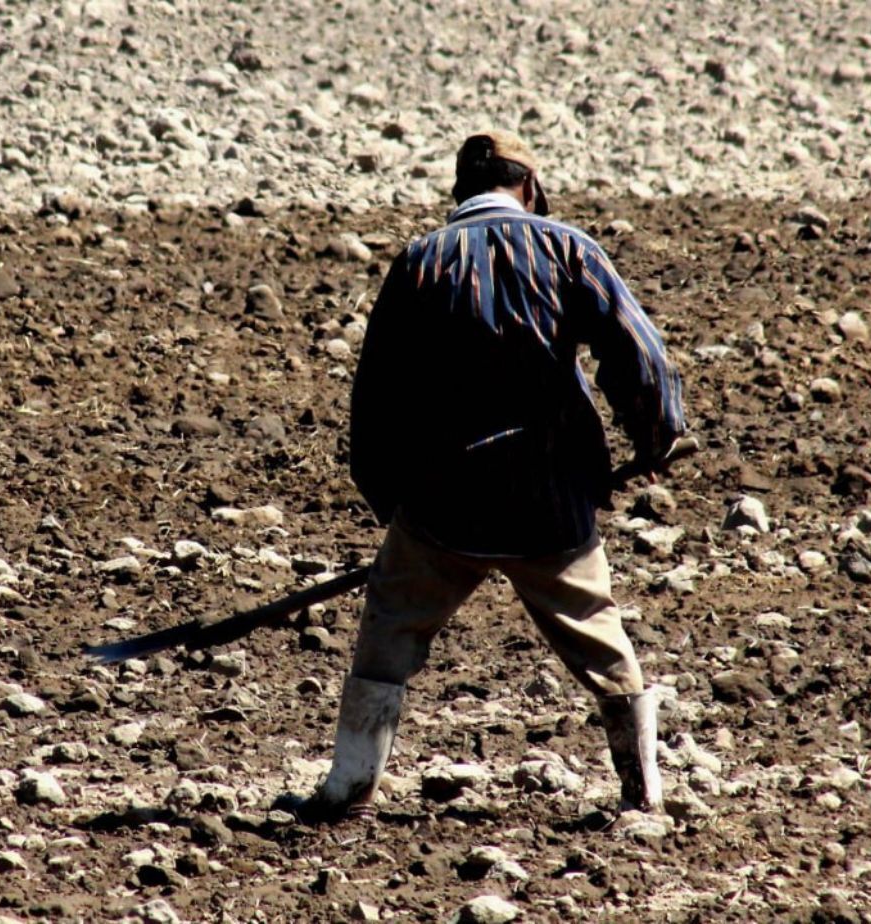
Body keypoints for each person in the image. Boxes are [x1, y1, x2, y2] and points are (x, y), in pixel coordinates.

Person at [286, 130, 687, 823]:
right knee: (597, 633)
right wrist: (654, 444)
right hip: (552, 505)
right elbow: (641, 360)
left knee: (389, 630)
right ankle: (643, 788)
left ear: (461, 193)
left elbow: (377, 398)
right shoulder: (570, 249)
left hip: (444, 507)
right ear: (527, 188)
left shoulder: (419, 261)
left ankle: (348, 786)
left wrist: (396, 510)